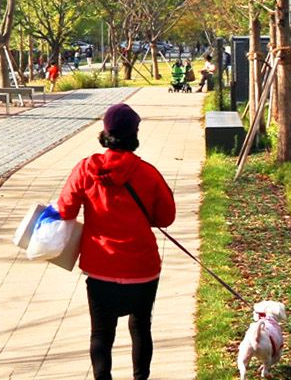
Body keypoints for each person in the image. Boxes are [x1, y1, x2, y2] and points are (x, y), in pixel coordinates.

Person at [54, 103, 175, 380]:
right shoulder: (148, 172)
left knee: (101, 333)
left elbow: (65, 211)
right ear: (134, 134)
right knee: (141, 327)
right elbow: (166, 217)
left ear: (105, 132)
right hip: (142, 267)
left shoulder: (85, 169)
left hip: (100, 267)